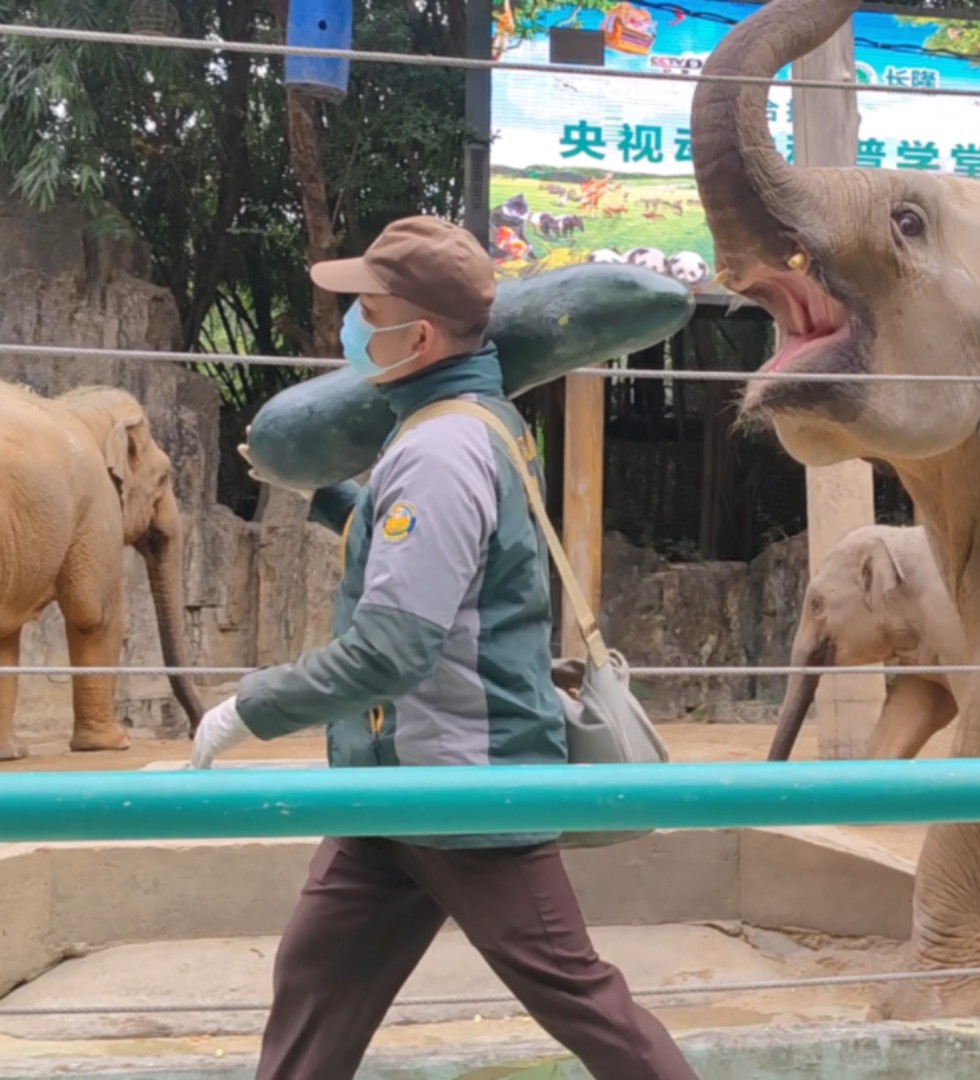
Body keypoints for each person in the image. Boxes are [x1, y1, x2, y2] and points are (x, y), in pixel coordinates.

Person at [191, 216, 699, 1080]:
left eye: (366, 308)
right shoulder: (460, 423)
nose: (352, 324)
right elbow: (442, 561)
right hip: (395, 789)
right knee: (315, 986)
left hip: (465, 789)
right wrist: (331, 497)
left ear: (417, 335)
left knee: (582, 1000)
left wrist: (252, 707)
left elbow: (392, 647)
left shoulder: (441, 447)